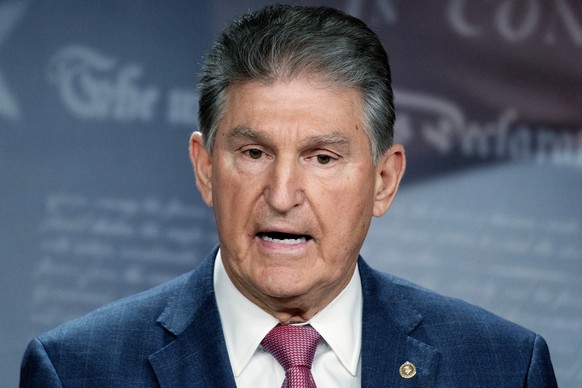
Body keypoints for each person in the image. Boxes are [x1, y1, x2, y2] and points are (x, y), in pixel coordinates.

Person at [20, 4, 557, 387]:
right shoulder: (78, 370)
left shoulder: (505, 367)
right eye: (253, 153)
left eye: (322, 158)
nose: (281, 196)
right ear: (206, 169)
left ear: (383, 181)